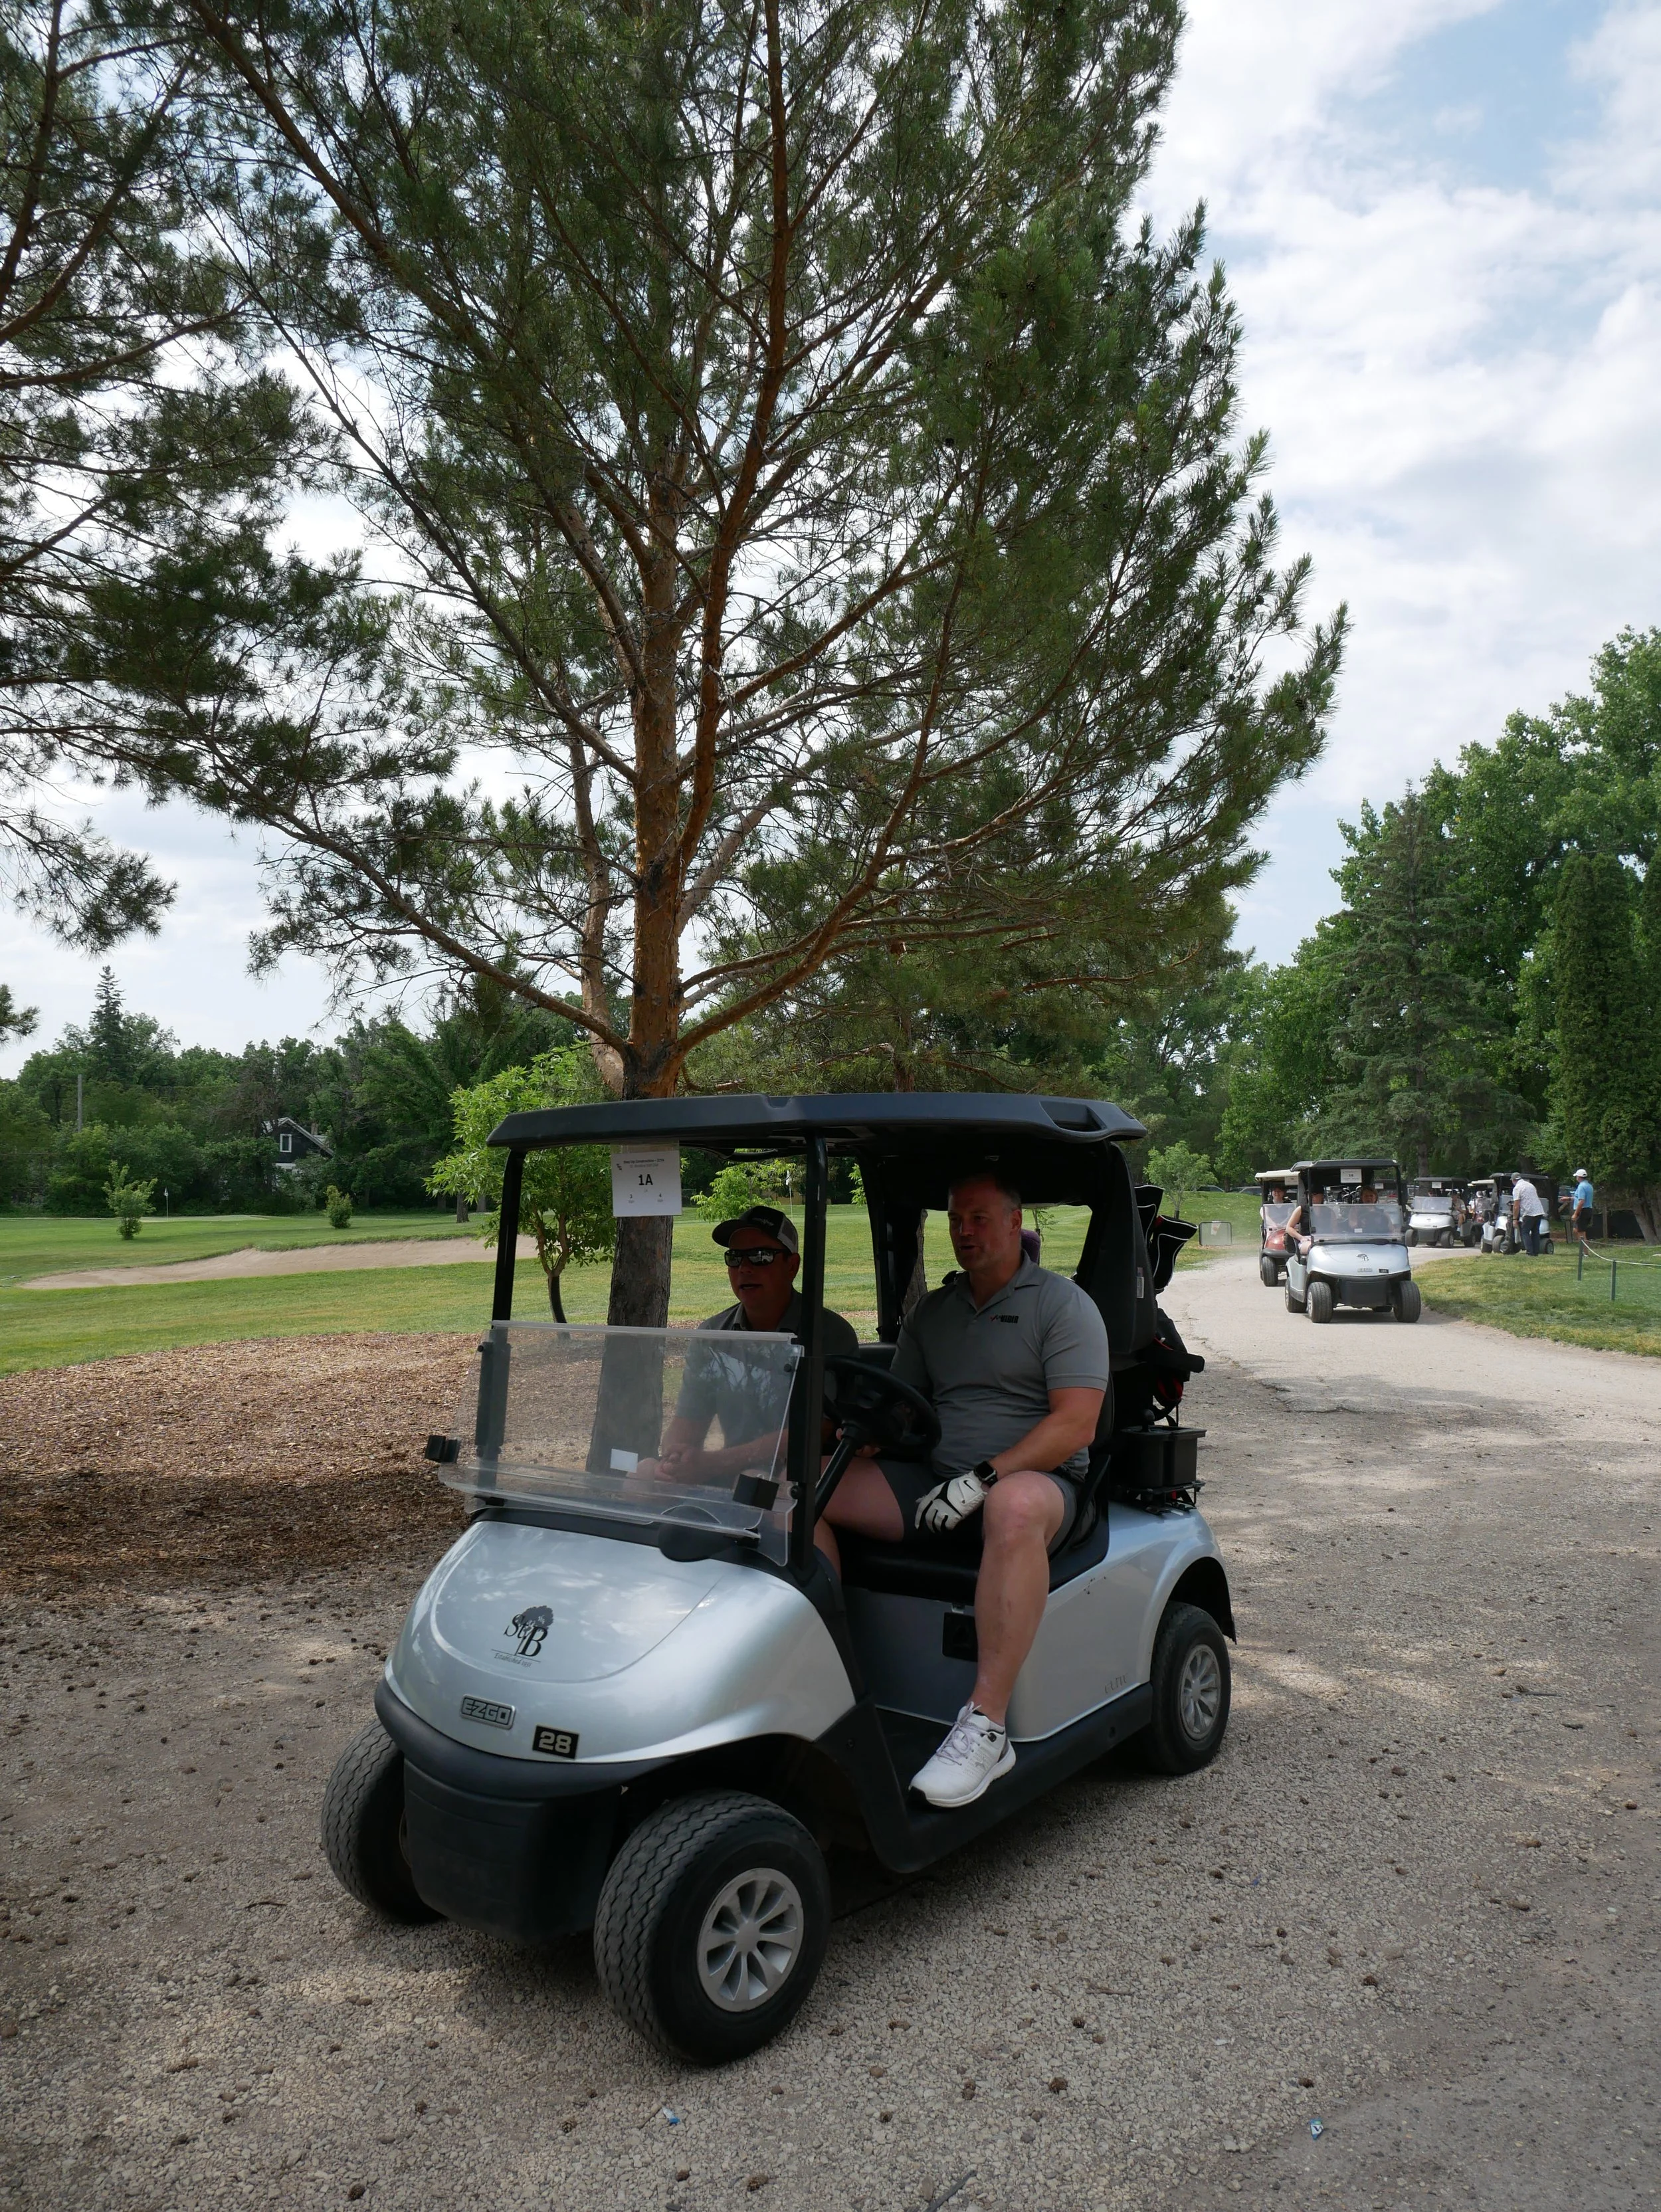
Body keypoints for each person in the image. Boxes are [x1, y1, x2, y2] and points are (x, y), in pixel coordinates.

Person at [815, 1170, 1108, 1809]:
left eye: (979, 1218)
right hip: (939, 1481)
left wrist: (982, 1478)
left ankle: (986, 1724)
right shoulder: (936, 1311)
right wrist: (868, 1434)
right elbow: (906, 1406)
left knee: (1014, 1505)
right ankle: (822, 1673)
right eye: (955, 1220)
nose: (965, 1232)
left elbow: (1074, 1424)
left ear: (1014, 1221)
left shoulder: (1062, 1305)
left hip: (1043, 1485)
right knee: (806, 1488)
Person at [652, 1206, 860, 1483]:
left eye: (761, 1257)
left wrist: (715, 1463)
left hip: (802, 1479)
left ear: (792, 1266)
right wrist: (673, 1458)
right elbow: (689, 1419)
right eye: (734, 1258)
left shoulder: (830, 1333)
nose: (744, 1268)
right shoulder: (713, 1334)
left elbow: (818, 1428)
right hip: (728, 1472)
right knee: (641, 1477)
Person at [1511, 1170, 1547, 1258]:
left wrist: (1515, 1219)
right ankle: (1536, 1252)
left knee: (1525, 1232)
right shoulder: (1530, 1185)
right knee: (1535, 1232)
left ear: (1514, 1180)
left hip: (1529, 1212)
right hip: (1539, 1210)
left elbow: (1516, 1205)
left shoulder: (1517, 1188)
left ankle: (1529, 1252)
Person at [1571, 1168, 1595, 1241]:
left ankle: (1585, 1252)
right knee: (1577, 1230)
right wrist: (1569, 1198)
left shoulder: (1581, 1186)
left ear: (1579, 1177)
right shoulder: (1589, 1186)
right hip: (1588, 1210)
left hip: (1583, 1211)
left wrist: (1576, 1214)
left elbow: (1581, 1201)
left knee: (1581, 1233)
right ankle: (1584, 1251)